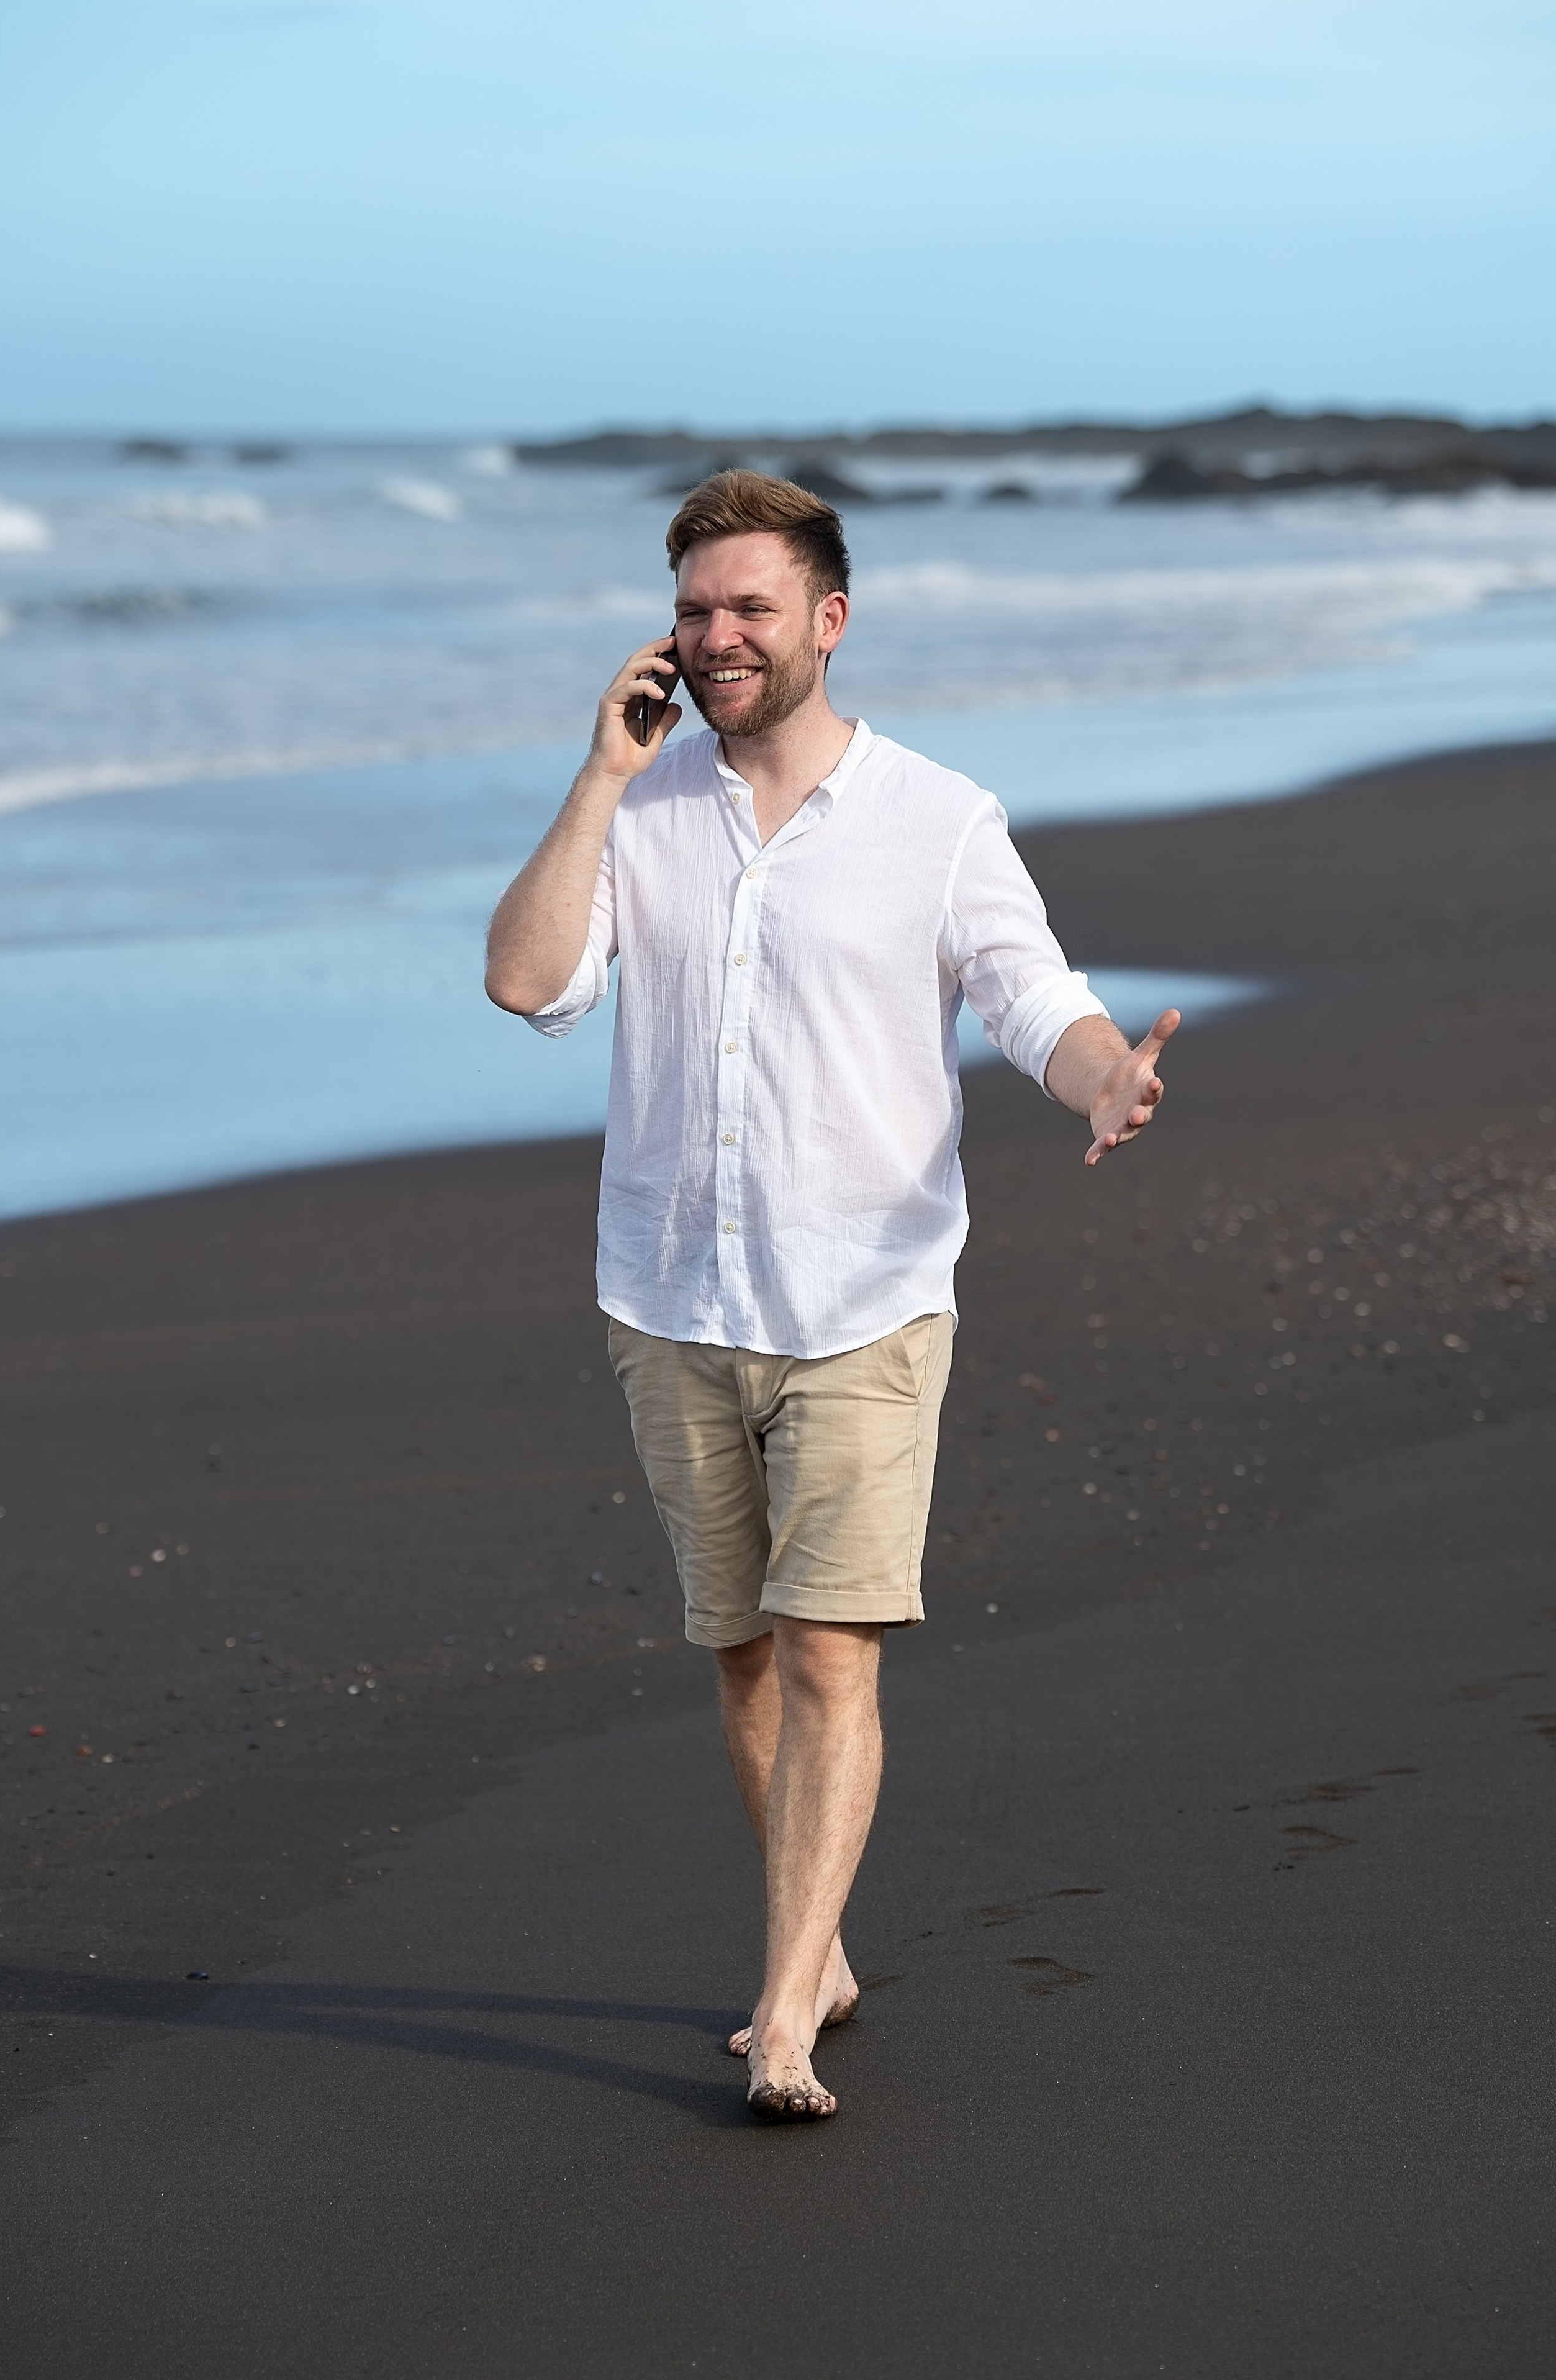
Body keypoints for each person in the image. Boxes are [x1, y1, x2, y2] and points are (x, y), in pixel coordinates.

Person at [485, 470, 1177, 2121]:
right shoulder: (640, 812)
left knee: (830, 1657)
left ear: (828, 620)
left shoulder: (939, 817)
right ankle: (828, 1946)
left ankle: (784, 2009)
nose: (719, 637)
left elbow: (1032, 991)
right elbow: (527, 983)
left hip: (867, 1305)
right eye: (696, 609)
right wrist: (598, 773)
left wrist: (1099, 1082)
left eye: (752, 609)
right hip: (668, 1295)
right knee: (738, 1654)